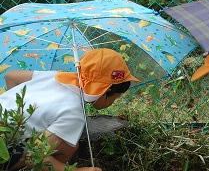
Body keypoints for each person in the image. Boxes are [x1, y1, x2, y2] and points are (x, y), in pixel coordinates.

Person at [0, 48, 140, 171]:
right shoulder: (74, 112)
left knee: (69, 146)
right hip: (2, 146)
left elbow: (10, 75)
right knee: (61, 149)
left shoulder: (55, 77)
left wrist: (22, 111)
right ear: (106, 92)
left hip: (4, 127)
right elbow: (33, 157)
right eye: (116, 97)